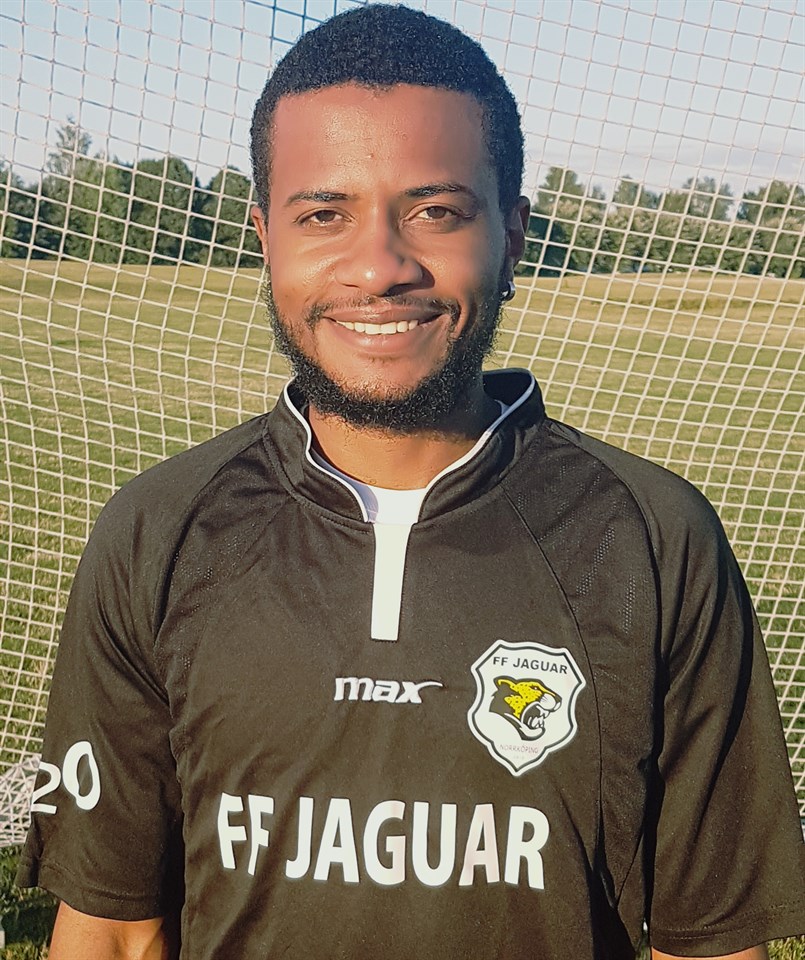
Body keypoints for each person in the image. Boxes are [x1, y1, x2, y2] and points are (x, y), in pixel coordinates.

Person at [16, 5, 805, 959]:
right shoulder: (158, 531)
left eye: (435, 212)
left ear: (512, 236)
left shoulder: (651, 539)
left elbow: (709, 944)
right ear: (265, 238)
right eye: (323, 214)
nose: (379, 267)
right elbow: (112, 932)